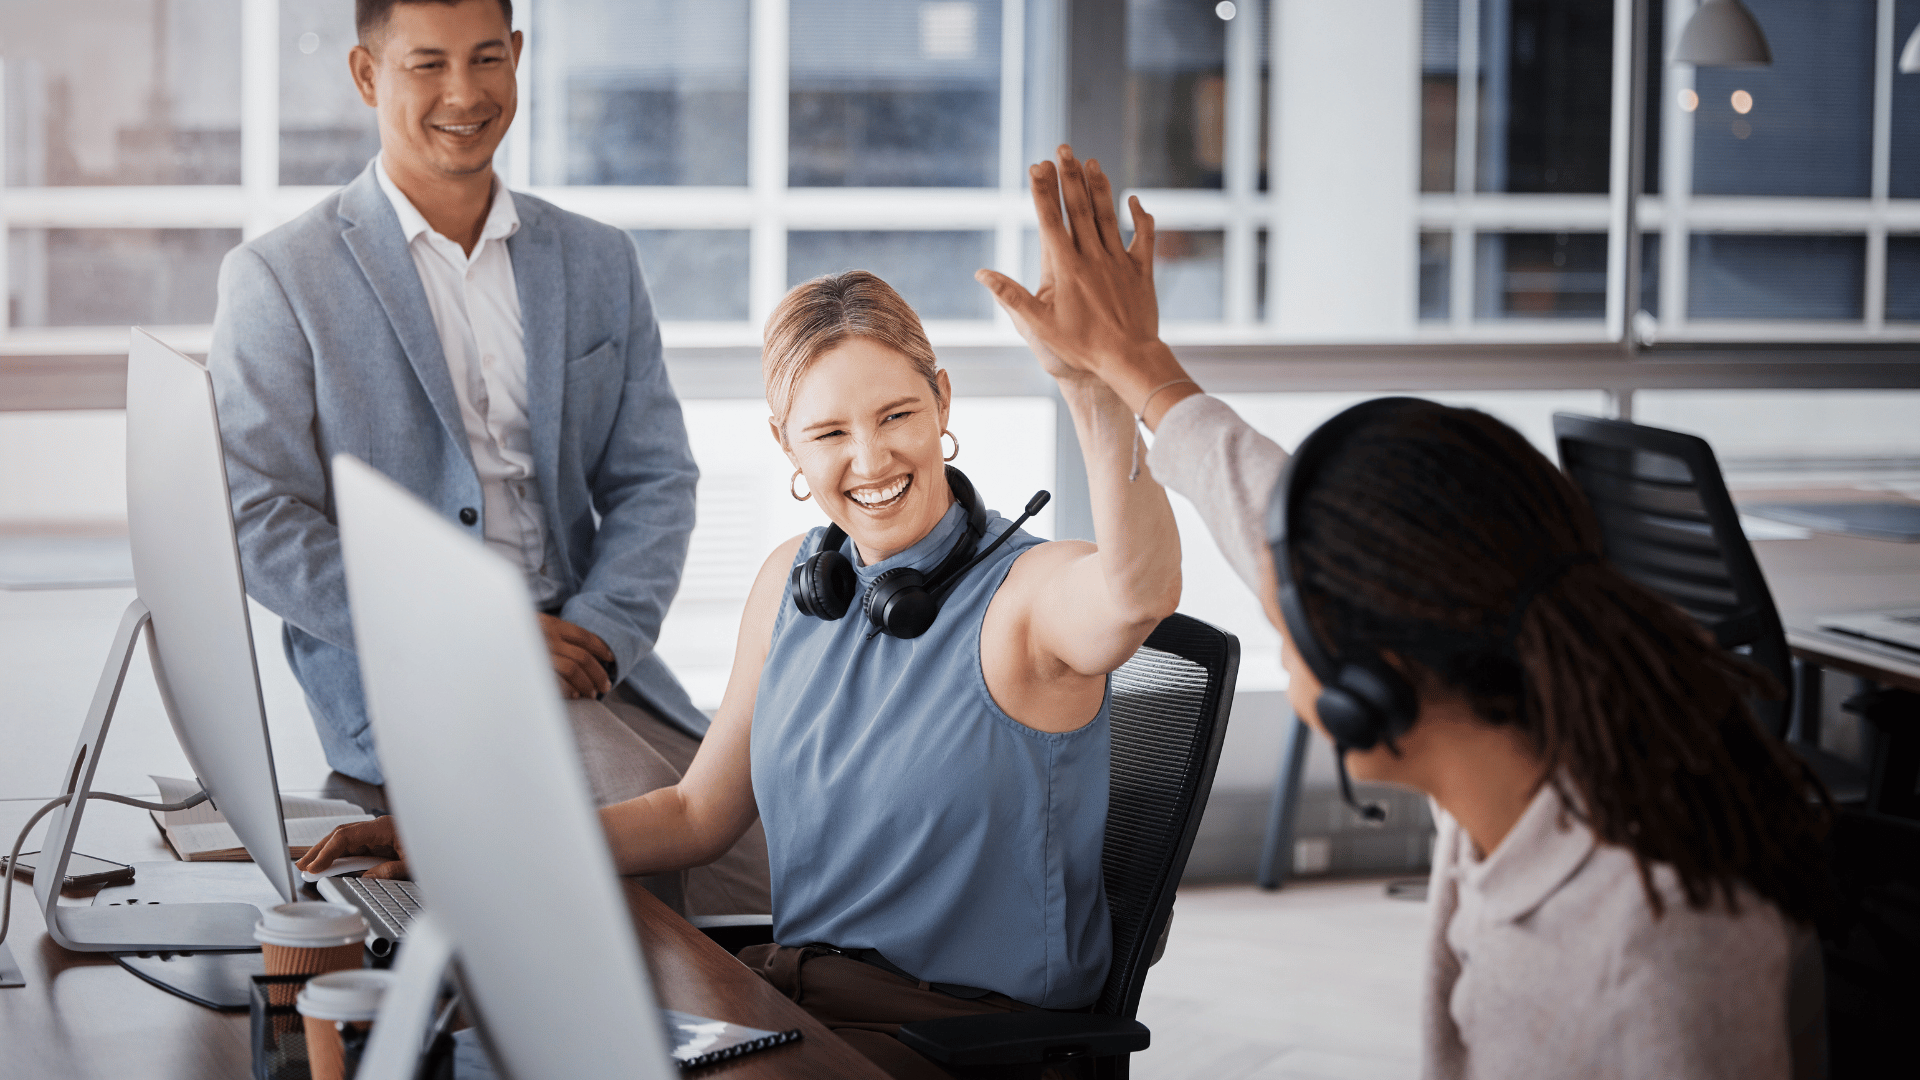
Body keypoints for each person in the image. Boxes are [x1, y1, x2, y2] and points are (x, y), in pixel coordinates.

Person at [973, 146, 1833, 1078]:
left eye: (1289, 609)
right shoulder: (1519, 767)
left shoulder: (1670, 940)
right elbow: (1264, 507)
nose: (1275, 602)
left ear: (1371, 681)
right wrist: (1136, 366)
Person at [304, 253, 1184, 1074]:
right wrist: (463, 847)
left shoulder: (1028, 594)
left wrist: (1095, 387)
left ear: (943, 403)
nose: (871, 459)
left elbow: (1136, 592)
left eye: (898, 416)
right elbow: (695, 813)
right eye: (829, 431)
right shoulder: (797, 581)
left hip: (954, 1041)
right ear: (786, 446)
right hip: (781, 997)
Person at [211, 0, 767, 915]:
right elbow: (256, 517)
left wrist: (598, 636)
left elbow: (655, 481)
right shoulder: (279, 278)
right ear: (367, 76)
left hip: (595, 661)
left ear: (516, 56)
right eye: (426, 64)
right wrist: (486, 639)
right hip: (413, 679)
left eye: (485, 59)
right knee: (648, 848)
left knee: (779, 871)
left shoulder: (598, 261)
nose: (463, 93)